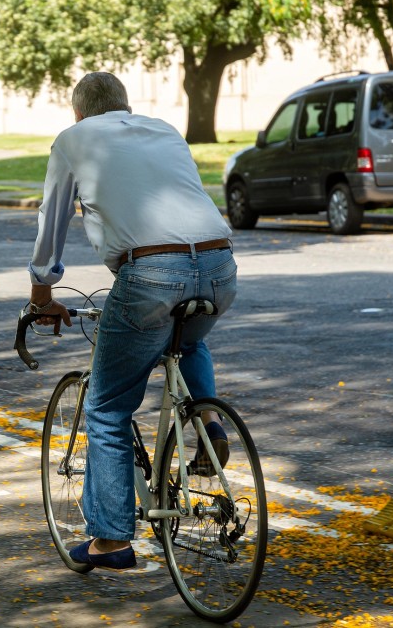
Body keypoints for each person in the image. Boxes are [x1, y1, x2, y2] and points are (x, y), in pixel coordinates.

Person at [27, 72, 237, 570]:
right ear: (125, 105)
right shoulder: (163, 129)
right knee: (185, 337)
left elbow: (50, 222)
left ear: (78, 114)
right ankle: (208, 423)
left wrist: (42, 296)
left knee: (106, 409)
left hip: (148, 272)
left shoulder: (73, 140)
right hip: (219, 265)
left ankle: (111, 539)